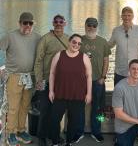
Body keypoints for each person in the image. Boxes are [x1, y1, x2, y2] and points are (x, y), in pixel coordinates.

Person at [0, 12, 41, 146]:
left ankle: (21, 131)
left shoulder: (37, 38)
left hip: (30, 77)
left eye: (30, 23)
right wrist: (1, 68)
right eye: (25, 23)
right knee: (13, 107)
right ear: (20, 23)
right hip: (14, 77)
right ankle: (11, 133)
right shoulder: (10, 36)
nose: (27, 25)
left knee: (25, 106)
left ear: (33, 24)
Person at [48, 34, 92, 146]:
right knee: (54, 120)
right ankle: (55, 141)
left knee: (73, 122)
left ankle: (69, 142)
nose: (76, 45)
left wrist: (89, 93)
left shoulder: (84, 57)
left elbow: (89, 76)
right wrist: (51, 91)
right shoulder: (59, 55)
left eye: (79, 43)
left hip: (77, 95)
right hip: (60, 94)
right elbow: (52, 73)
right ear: (69, 42)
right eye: (74, 42)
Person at [34, 14, 69, 146]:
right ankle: (41, 137)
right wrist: (39, 80)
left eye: (61, 22)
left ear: (65, 24)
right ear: (53, 23)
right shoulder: (45, 39)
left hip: (61, 83)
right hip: (46, 81)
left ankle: (54, 135)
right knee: (45, 110)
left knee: (57, 112)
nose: (58, 24)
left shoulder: (68, 39)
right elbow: (38, 61)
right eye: (56, 22)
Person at [78, 17, 111, 142]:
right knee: (79, 107)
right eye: (89, 25)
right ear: (85, 25)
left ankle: (97, 131)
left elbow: (106, 61)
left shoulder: (103, 41)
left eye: (93, 25)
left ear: (97, 27)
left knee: (99, 108)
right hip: (82, 81)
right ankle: (79, 131)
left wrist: (103, 77)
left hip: (98, 81)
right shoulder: (79, 41)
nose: (91, 28)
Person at [109, 6, 138, 85]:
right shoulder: (116, 30)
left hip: (136, 72)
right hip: (120, 72)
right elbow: (109, 45)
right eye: (124, 15)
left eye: (129, 15)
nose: (127, 18)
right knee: (119, 96)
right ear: (121, 16)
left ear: (133, 16)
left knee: (137, 96)